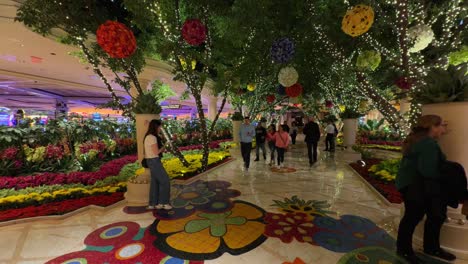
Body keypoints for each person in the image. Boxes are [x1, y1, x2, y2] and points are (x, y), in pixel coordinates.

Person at [396, 115, 455, 263]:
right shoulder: (428, 143)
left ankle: (428, 247)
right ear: (432, 127)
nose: (444, 129)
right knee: (414, 217)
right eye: (442, 125)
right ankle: (406, 250)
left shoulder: (418, 140)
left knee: (427, 216)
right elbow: (428, 171)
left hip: (410, 184)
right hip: (417, 186)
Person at [144, 119, 172, 210]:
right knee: (165, 181)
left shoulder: (148, 136)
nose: (160, 128)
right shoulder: (152, 137)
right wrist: (165, 146)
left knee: (155, 182)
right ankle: (163, 203)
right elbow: (156, 152)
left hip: (150, 161)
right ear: (156, 127)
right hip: (154, 161)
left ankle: (153, 203)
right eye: (160, 126)